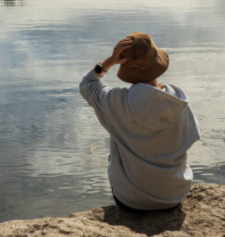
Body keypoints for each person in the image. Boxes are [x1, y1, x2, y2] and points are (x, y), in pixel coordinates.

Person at [79, 32, 200, 212]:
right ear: (157, 61)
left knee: (115, 150)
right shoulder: (178, 101)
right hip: (174, 196)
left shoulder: (116, 102)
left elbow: (88, 85)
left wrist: (109, 62)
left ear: (125, 65)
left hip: (131, 200)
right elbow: (191, 136)